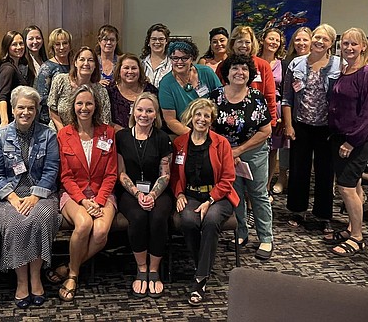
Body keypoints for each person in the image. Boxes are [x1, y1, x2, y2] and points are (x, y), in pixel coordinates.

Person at [0, 86, 60, 308]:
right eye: (21, 107)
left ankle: (35, 277)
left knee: (40, 218)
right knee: (18, 221)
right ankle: (21, 281)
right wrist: (12, 198)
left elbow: (51, 169)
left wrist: (35, 197)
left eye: (31, 108)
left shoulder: (48, 135)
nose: (26, 112)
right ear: (12, 108)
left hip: (41, 194)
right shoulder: (0, 136)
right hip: (10, 196)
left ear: (37, 109)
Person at [54, 85, 118, 302]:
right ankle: (73, 275)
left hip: (103, 194)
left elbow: (111, 174)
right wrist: (83, 200)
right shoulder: (64, 134)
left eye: (89, 103)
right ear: (73, 106)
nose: (84, 107)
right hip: (73, 194)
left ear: (96, 106)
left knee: (100, 232)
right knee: (83, 224)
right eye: (79, 103)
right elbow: (65, 176)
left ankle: (68, 267)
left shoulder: (107, 133)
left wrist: (99, 201)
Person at [171, 98, 238, 305]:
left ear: (212, 120)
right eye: (198, 115)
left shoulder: (221, 143)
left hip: (219, 196)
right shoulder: (180, 143)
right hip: (190, 195)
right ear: (190, 117)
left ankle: (200, 279)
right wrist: (179, 194)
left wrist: (210, 199)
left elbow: (228, 178)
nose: (201, 119)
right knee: (189, 221)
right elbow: (174, 175)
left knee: (210, 220)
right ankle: (203, 264)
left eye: (206, 116)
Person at [327, 28, 368, 257]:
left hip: (357, 139)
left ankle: (358, 237)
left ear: (364, 48)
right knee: (355, 185)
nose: (349, 48)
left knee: (346, 187)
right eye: (345, 44)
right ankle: (352, 226)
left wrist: (351, 142)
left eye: (354, 44)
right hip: (341, 136)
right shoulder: (347, 69)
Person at [211, 54, 273, 260]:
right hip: (224, 154)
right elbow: (207, 127)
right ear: (227, 73)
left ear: (250, 74)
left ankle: (266, 238)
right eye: (235, 68)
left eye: (245, 69)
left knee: (258, 194)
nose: (240, 72)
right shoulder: (215, 97)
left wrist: (239, 150)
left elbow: (266, 131)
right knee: (234, 194)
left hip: (253, 152)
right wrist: (228, 151)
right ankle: (242, 233)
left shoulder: (257, 98)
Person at [282, 24, 340, 234]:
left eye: (325, 39)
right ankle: (297, 211)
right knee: (299, 170)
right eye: (317, 37)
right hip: (301, 125)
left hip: (327, 128)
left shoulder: (338, 66)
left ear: (331, 43)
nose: (319, 42)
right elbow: (287, 97)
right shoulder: (296, 64)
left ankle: (323, 215)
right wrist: (288, 125)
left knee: (325, 172)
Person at [116, 93, 172, 298]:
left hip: (159, 191)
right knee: (138, 217)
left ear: (155, 114)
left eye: (149, 111)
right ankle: (141, 268)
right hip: (130, 192)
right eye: (140, 110)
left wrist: (152, 195)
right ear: (133, 111)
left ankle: (154, 270)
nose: (144, 114)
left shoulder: (162, 138)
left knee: (158, 217)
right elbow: (120, 172)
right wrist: (138, 193)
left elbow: (165, 174)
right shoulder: (121, 137)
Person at [273, 26, 313, 195]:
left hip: (311, 115)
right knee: (285, 147)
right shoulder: (286, 62)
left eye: (305, 39)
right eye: (298, 39)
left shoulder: (319, 62)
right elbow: (284, 91)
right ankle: (282, 177)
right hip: (289, 112)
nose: (301, 43)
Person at [216, 26, 277, 128]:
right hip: (227, 120)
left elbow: (270, 96)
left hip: (257, 120)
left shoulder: (263, 65)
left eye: (247, 42)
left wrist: (272, 122)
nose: (244, 45)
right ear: (233, 44)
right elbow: (217, 92)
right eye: (240, 42)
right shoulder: (223, 65)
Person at [159, 39, 221, 136]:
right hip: (186, 132)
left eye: (184, 58)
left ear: (192, 58)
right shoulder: (166, 84)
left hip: (214, 128)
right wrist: (195, 136)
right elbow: (170, 120)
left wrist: (210, 135)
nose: (179, 62)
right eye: (175, 58)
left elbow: (221, 100)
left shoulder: (206, 72)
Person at [47, 46, 111, 131]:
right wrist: (63, 132)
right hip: (59, 132)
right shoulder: (60, 80)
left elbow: (105, 120)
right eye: (82, 59)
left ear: (95, 65)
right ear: (75, 63)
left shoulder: (101, 91)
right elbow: (52, 109)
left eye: (90, 60)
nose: (86, 63)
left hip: (89, 135)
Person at [258, 27, 286, 197]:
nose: (274, 42)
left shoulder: (283, 64)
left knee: (272, 151)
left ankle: (266, 187)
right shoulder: (254, 61)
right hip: (255, 109)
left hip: (275, 109)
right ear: (263, 40)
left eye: (277, 40)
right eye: (271, 38)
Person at [107, 53, 158, 132]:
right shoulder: (109, 91)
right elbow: (106, 120)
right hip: (117, 137)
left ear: (140, 70)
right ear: (119, 70)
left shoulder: (151, 90)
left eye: (134, 68)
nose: (130, 71)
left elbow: (157, 118)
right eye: (126, 68)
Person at [0, 30, 35, 127]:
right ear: (7, 47)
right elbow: (2, 96)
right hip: (10, 123)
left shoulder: (21, 66)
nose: (19, 47)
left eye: (21, 43)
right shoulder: (8, 68)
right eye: (14, 44)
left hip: (19, 120)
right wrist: (4, 121)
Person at [35, 28, 72, 125]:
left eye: (65, 43)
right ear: (52, 46)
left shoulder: (75, 65)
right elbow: (41, 96)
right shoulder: (47, 67)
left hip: (73, 117)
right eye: (57, 44)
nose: (61, 47)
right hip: (50, 119)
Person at [140, 23, 172, 88]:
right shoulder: (141, 64)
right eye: (154, 39)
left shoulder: (172, 64)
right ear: (148, 42)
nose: (157, 42)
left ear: (166, 41)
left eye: (161, 39)